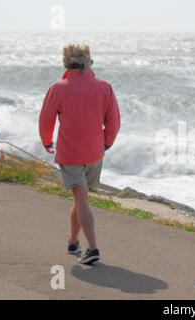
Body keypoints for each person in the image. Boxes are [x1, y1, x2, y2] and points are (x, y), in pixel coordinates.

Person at [39, 44, 120, 264]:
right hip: (95, 152)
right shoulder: (105, 87)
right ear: (88, 61)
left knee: (81, 198)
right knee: (80, 197)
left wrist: (47, 142)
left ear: (66, 63)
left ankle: (92, 248)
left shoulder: (58, 88)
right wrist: (107, 144)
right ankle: (73, 241)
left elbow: (46, 120)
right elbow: (113, 121)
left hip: (71, 153)